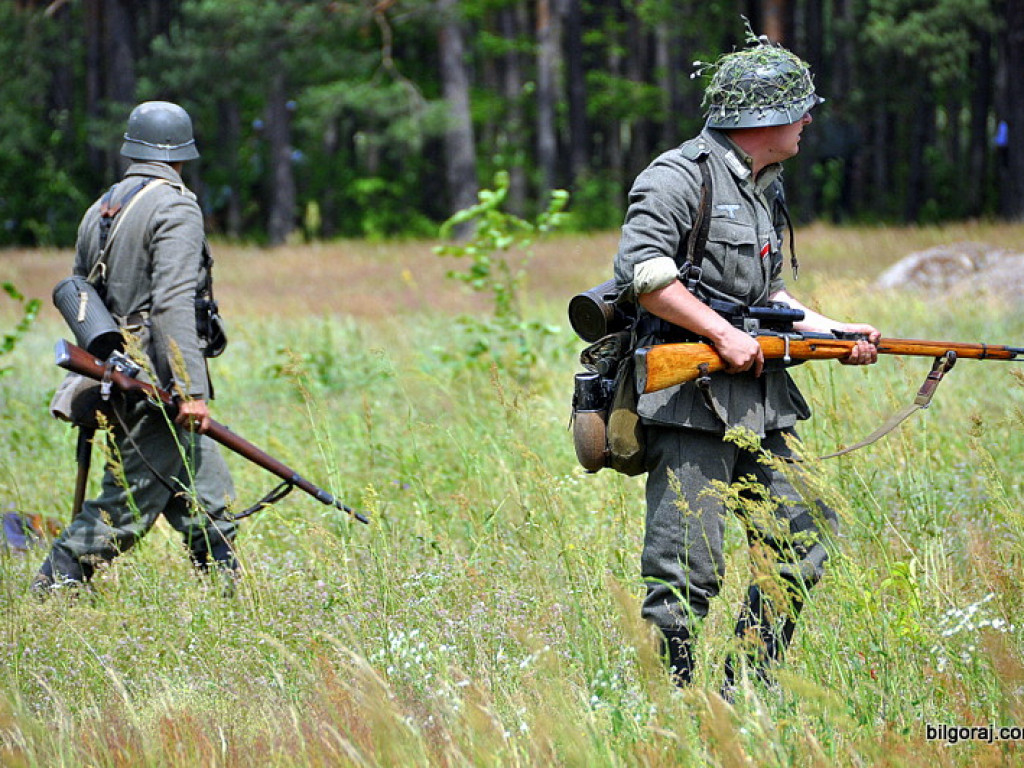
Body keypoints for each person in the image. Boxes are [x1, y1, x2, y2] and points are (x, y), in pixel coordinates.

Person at [612, 38, 880, 689]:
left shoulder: (764, 185)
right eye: (798, 109)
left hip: (759, 404)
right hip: (690, 403)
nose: (807, 120)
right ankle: (664, 710)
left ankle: (741, 694)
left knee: (805, 532)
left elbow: (767, 299)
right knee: (687, 568)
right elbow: (643, 274)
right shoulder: (679, 176)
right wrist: (719, 335)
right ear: (763, 118)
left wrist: (836, 333)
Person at [33, 101, 238, 595]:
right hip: (155, 385)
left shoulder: (101, 207)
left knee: (206, 503)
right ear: (181, 153)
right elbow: (171, 304)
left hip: (118, 373)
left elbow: (82, 293)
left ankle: (235, 609)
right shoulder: (174, 204)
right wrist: (188, 390)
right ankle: (53, 587)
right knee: (124, 509)